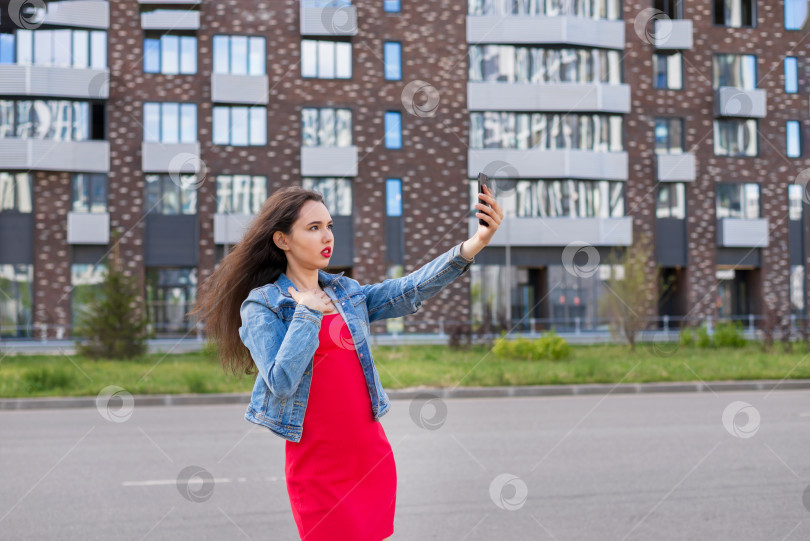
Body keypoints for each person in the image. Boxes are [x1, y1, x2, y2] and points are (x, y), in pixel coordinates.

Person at [192, 184, 502, 540]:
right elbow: (280, 380)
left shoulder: (347, 293)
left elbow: (409, 289)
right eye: (313, 228)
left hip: (370, 458)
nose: (327, 236)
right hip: (318, 470)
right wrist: (307, 314)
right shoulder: (264, 304)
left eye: (329, 226)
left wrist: (475, 243)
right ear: (282, 240)